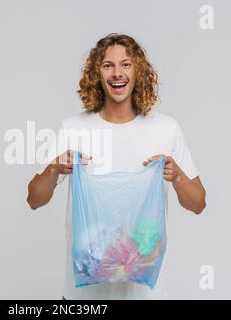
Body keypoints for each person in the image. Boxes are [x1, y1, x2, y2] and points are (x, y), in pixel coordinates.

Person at [26, 33, 206, 300]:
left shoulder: (165, 129)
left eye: (126, 64)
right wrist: (53, 169)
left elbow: (198, 204)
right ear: (96, 73)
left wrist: (177, 175)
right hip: (82, 298)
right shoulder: (74, 128)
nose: (117, 73)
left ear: (138, 71)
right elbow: (34, 200)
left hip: (145, 295)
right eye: (108, 65)